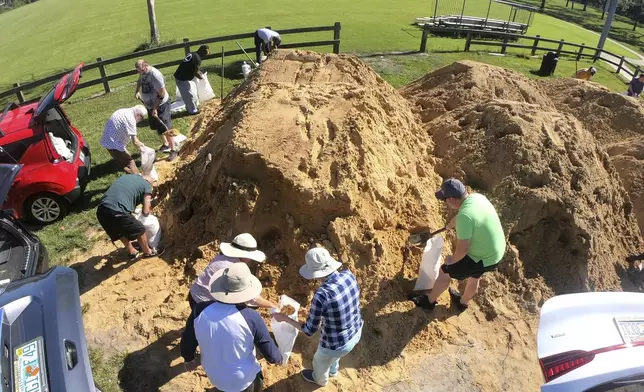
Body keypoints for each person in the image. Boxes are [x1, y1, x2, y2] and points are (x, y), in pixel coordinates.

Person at [180, 233, 278, 364]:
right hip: (202, 300)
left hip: (197, 293)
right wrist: (273, 306)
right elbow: (253, 299)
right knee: (203, 327)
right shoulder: (230, 268)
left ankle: (193, 342)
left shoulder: (226, 258)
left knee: (196, 325)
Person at [411, 178, 505, 312]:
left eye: (445, 200)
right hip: (496, 252)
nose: (445, 202)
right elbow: (469, 215)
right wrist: (452, 223)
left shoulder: (464, 217)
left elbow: (463, 249)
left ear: (452, 200)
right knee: (475, 276)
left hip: (481, 257)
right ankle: (462, 303)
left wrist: (451, 261)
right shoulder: (477, 198)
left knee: (445, 272)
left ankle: (429, 301)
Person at [273, 247, 363, 387]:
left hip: (335, 344)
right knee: (334, 357)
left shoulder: (322, 294)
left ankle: (320, 380)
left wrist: (285, 319)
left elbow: (309, 330)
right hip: (356, 332)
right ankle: (333, 371)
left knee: (320, 361)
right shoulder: (348, 275)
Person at [189, 262, 282, 391]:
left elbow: (189, 339)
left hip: (213, 374)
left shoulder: (199, 310)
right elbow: (267, 347)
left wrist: (188, 358)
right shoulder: (251, 317)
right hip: (243, 379)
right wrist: (278, 359)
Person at [96, 174, 164, 259]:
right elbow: (146, 212)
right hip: (117, 210)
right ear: (149, 182)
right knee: (140, 229)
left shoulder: (128, 177)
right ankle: (148, 252)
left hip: (101, 210)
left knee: (119, 232)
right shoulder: (147, 186)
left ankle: (132, 251)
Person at [135, 59, 178, 161]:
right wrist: (137, 91)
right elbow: (140, 80)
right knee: (157, 126)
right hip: (150, 105)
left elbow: (162, 93)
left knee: (166, 127)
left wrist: (155, 108)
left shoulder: (155, 75)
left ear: (146, 66)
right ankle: (166, 144)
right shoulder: (142, 73)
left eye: (141, 70)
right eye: (138, 71)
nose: (140, 73)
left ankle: (174, 150)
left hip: (161, 104)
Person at [100, 105, 148, 174]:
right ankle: (139, 180)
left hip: (109, 140)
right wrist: (144, 149)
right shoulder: (130, 119)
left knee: (124, 160)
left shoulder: (124, 111)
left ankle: (131, 177)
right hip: (113, 144)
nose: (141, 120)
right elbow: (135, 142)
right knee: (130, 162)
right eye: (142, 118)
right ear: (138, 115)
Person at [174, 45, 210, 115]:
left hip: (181, 75)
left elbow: (192, 67)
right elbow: (195, 72)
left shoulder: (193, 54)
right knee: (188, 95)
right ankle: (192, 111)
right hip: (182, 78)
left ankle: (190, 108)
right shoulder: (197, 59)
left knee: (188, 93)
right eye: (206, 53)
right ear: (203, 52)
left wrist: (199, 72)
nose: (205, 55)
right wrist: (201, 78)